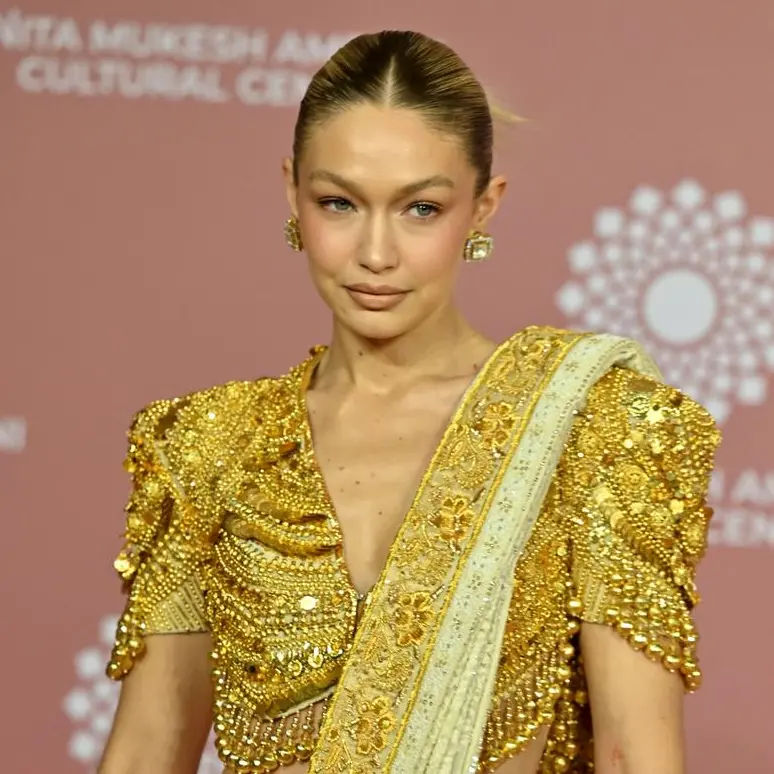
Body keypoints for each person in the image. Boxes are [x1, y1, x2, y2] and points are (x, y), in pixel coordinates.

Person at [98, 29, 720, 774]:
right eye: (340, 203)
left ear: (483, 207)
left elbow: (634, 755)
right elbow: (147, 749)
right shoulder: (206, 444)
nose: (376, 253)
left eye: (420, 209)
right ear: (292, 191)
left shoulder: (596, 427)